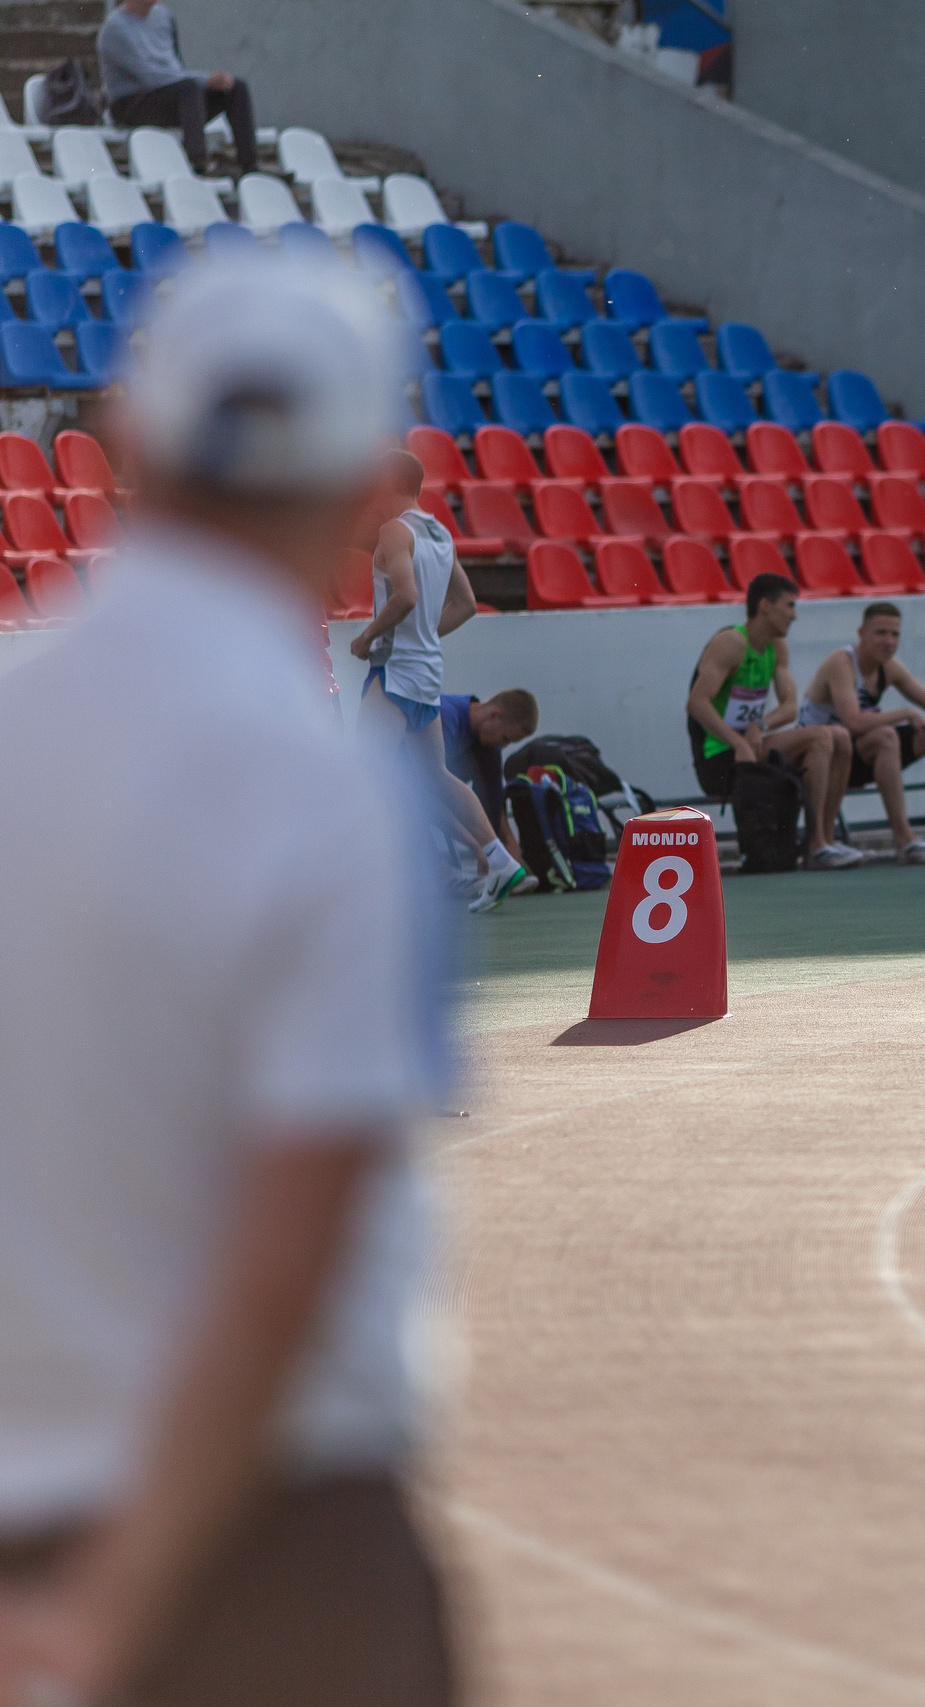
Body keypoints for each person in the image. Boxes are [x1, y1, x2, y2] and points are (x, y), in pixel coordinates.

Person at [0, 255, 457, 1707]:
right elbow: (280, 1266)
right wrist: (110, 1612)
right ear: (381, 484)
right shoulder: (337, 789)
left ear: (126, 444)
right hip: (283, 1554)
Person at [348, 450, 528, 913]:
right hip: (428, 670)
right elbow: (466, 603)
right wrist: (426, 634)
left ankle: (355, 880)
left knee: (361, 771)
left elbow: (405, 595)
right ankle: (499, 859)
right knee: (434, 774)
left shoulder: (395, 531)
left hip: (394, 669)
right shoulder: (439, 532)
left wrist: (369, 635)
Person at [686, 572, 863, 869]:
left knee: (840, 736)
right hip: (720, 756)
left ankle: (827, 839)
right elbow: (696, 703)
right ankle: (816, 842)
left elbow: (790, 707)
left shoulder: (777, 647)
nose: (794, 616)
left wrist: (759, 725)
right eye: (789, 606)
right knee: (821, 737)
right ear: (765, 605)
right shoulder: (731, 643)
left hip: (752, 744)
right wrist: (737, 740)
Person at [799, 601, 925, 863]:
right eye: (881, 633)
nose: (889, 641)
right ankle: (905, 840)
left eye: (895, 634)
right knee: (886, 737)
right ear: (861, 634)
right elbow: (853, 722)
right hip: (825, 758)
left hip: (861, 753)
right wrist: (906, 713)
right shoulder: (841, 663)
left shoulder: (889, 667)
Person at [98, 0, 258, 180]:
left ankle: (250, 166)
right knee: (189, 89)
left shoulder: (163, 16)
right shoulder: (115, 28)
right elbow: (149, 77)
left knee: (235, 88)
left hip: (169, 95)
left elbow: (175, 69)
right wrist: (206, 80)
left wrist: (209, 82)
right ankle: (199, 165)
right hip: (130, 103)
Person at [438, 687, 538, 871]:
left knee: (490, 762)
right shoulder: (444, 716)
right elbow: (421, 792)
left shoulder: (485, 738)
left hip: (422, 792)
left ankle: (497, 859)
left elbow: (493, 798)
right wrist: (475, 844)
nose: (503, 745)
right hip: (392, 790)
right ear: (494, 715)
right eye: (505, 738)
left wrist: (509, 845)